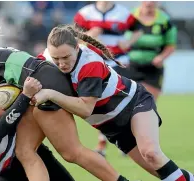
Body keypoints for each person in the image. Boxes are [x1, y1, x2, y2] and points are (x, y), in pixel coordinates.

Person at [0, 13, 130, 181]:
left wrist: (13, 112)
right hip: (45, 77)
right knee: (27, 151)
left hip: (42, 85)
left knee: (70, 152)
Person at [35, 24, 194, 181]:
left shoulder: (89, 64)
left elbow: (85, 109)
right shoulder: (46, 59)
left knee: (151, 153)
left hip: (133, 104)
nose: (61, 64)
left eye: (66, 57)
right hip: (111, 126)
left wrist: (51, 94)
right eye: (56, 59)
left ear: (77, 48)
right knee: (160, 171)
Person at [73, 1, 144, 155]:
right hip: (95, 63)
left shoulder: (123, 13)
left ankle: (127, 141)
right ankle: (102, 144)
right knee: (101, 104)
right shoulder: (85, 13)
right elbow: (74, 38)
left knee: (124, 103)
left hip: (120, 62)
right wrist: (91, 34)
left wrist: (128, 42)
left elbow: (139, 29)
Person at [125, 1, 177, 101]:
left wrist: (161, 57)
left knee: (149, 102)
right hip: (129, 65)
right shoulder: (128, 16)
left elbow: (171, 45)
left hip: (153, 67)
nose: (149, 3)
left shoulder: (165, 20)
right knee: (127, 102)